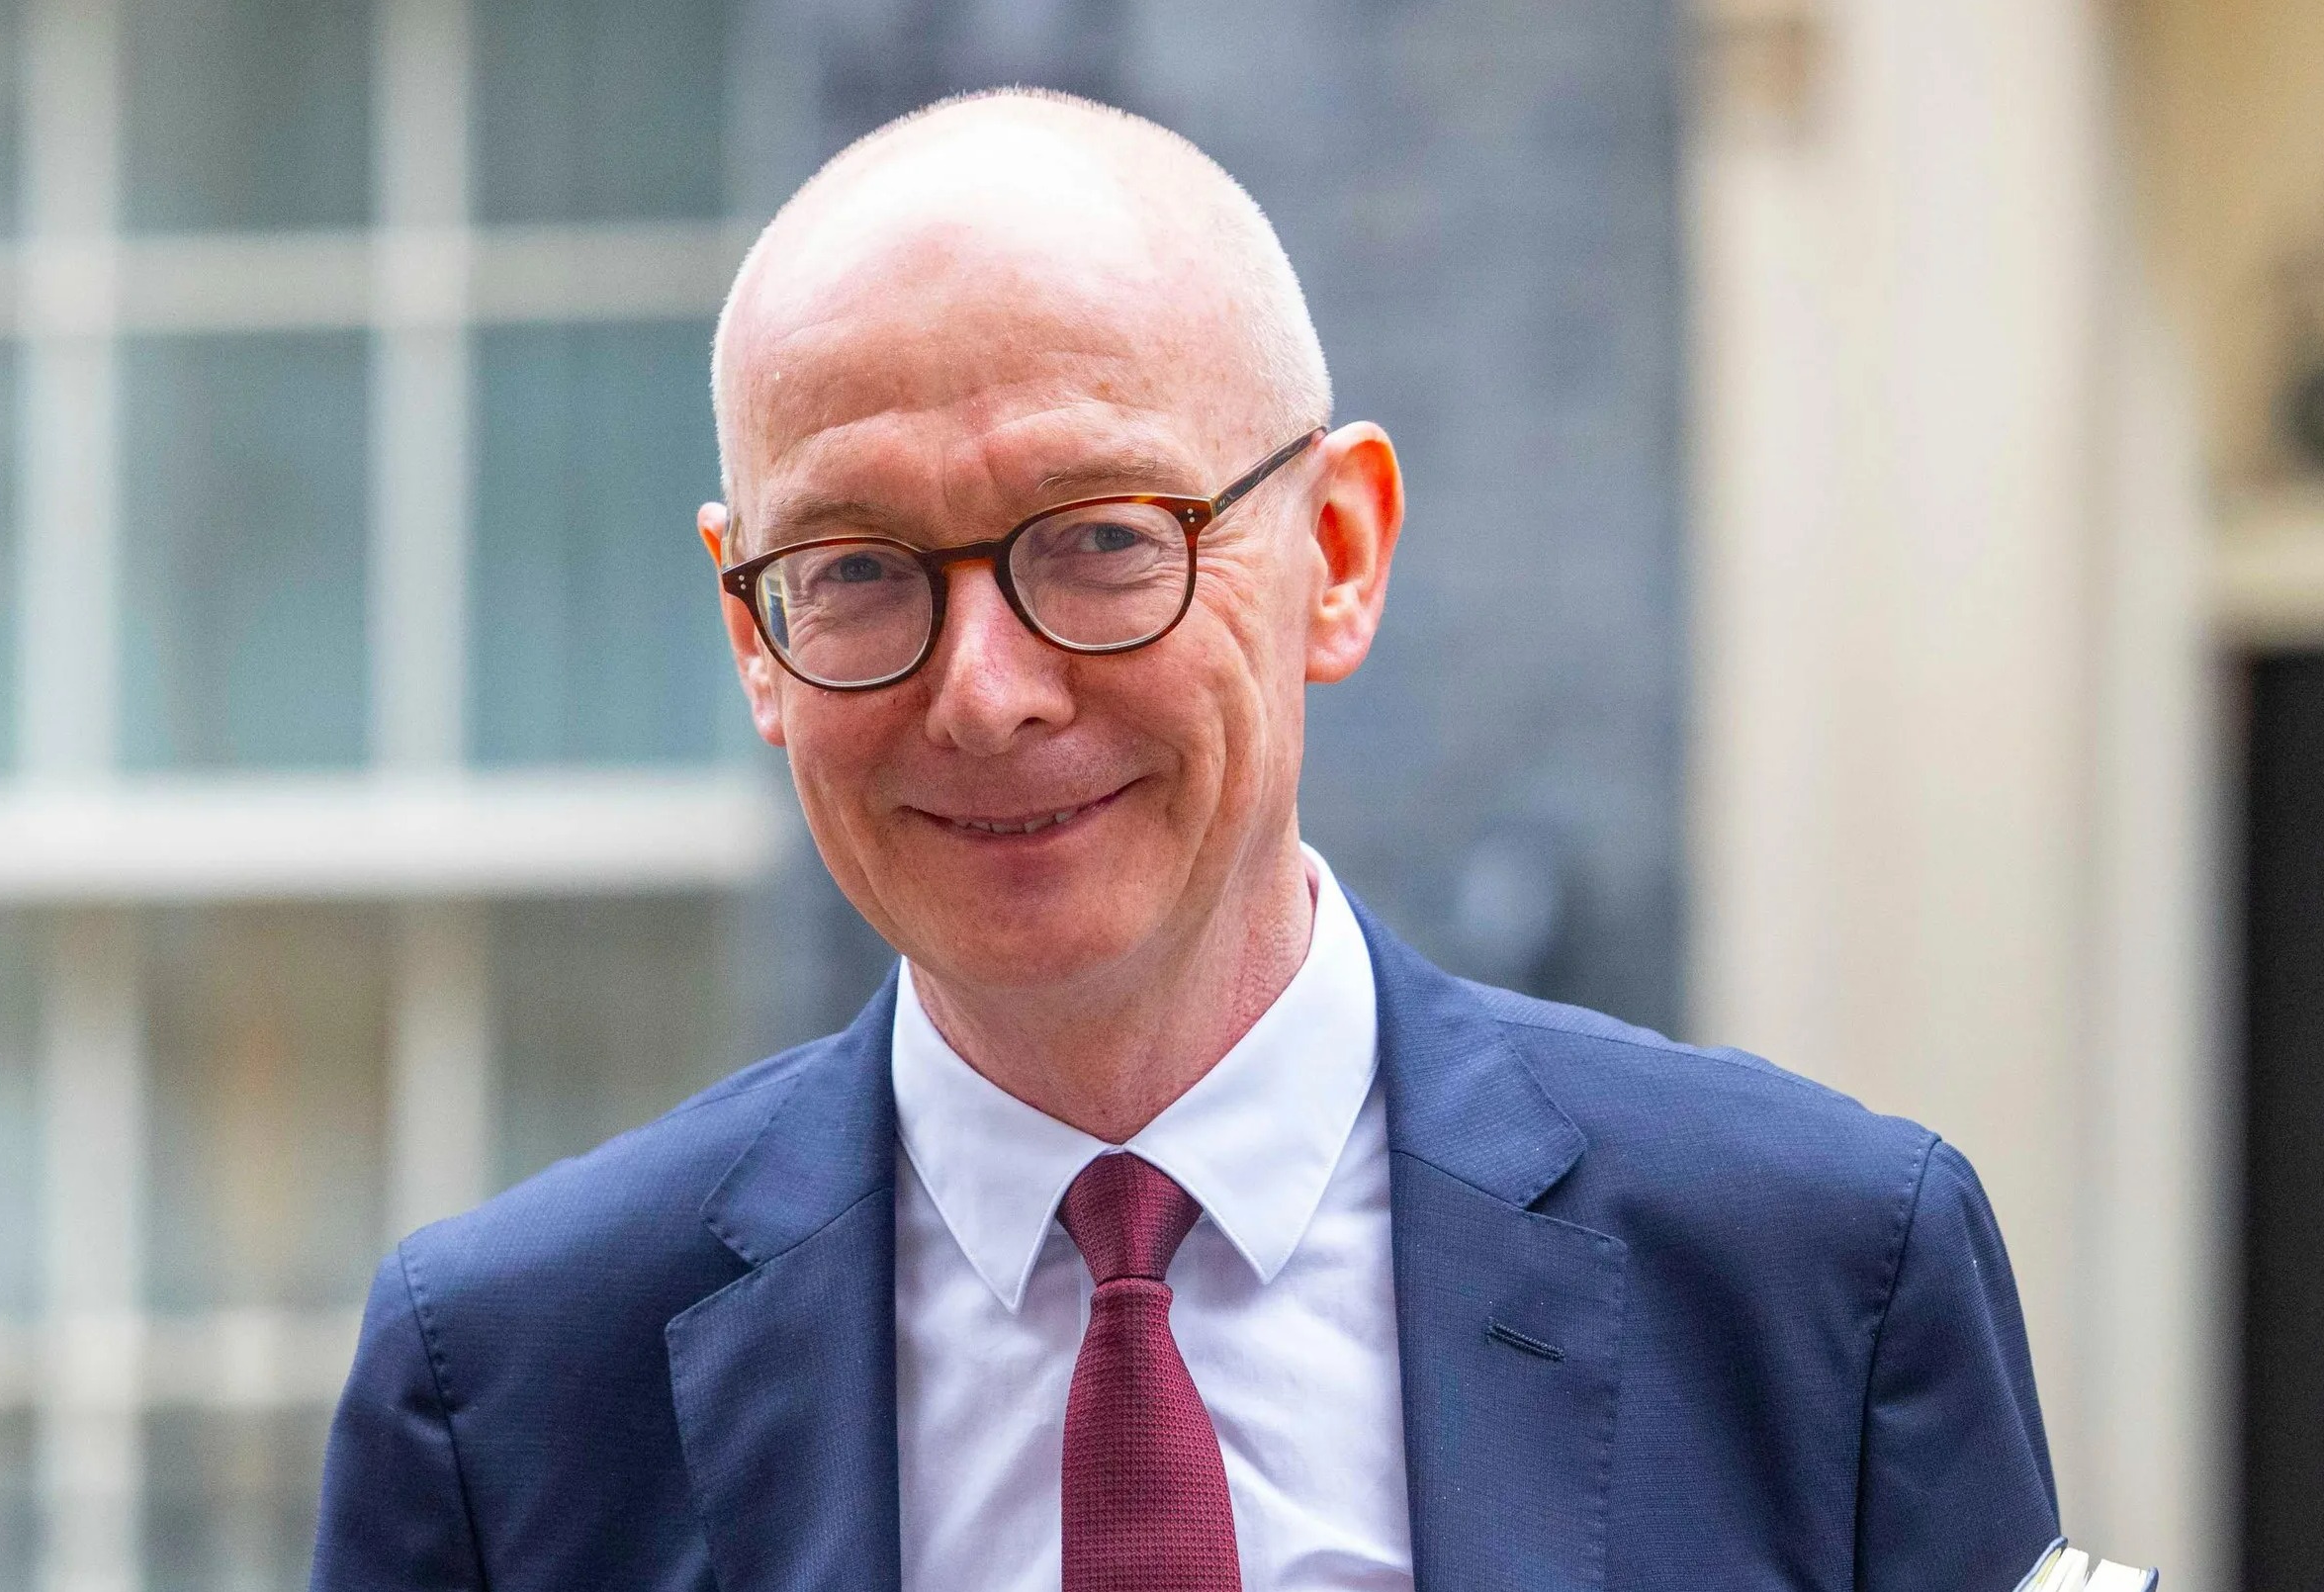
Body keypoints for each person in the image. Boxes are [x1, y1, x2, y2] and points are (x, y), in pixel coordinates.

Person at [312, 90, 2057, 1592]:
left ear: (1341, 550)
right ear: (752, 637)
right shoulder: (510, 1389)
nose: (985, 693)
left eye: (1097, 540)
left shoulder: (1818, 1279)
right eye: (852, 569)